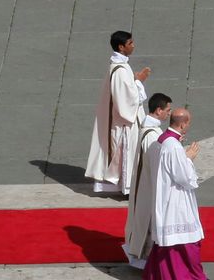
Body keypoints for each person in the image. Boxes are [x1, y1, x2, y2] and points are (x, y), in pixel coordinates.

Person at [143, 108, 207, 279]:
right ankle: (190, 276)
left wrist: (182, 155)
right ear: (182, 123)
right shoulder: (173, 146)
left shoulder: (161, 140)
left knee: (167, 243)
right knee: (187, 242)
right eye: (188, 122)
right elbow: (185, 178)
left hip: (165, 197)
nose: (189, 125)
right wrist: (189, 158)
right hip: (176, 201)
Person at [85, 31, 150, 195]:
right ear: (121, 47)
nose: (133, 46)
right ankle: (127, 189)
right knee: (126, 156)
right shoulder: (120, 71)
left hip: (122, 121)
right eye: (130, 43)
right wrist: (139, 82)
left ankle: (126, 187)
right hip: (124, 124)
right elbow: (127, 101)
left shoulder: (120, 66)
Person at [123, 92, 172, 269]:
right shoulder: (152, 135)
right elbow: (158, 162)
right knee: (148, 222)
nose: (169, 113)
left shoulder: (149, 128)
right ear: (158, 110)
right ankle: (147, 262)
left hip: (144, 182)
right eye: (167, 109)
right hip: (149, 186)